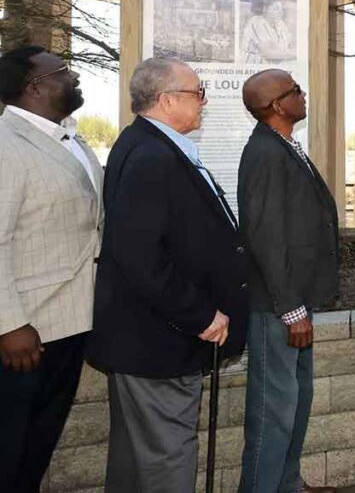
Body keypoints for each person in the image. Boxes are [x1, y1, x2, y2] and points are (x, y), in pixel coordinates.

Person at [88, 57, 249, 492]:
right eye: (197, 93)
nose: (203, 102)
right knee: (167, 458)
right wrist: (199, 315)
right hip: (158, 342)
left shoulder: (150, 145)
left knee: (137, 460)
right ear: (166, 100)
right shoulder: (152, 155)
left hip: (146, 340)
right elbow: (138, 255)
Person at [0, 47, 103, 492]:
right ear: (34, 86)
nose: (75, 76)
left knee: (38, 447)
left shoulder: (71, 138)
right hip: (25, 335)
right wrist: (10, 324)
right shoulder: (6, 143)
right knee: (9, 451)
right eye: (64, 70)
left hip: (70, 323)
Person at [237, 70, 338, 493]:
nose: (303, 93)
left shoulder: (283, 146)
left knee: (296, 401)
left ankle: (287, 484)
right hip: (277, 307)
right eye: (295, 90)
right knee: (273, 411)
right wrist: (291, 307)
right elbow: (263, 234)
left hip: (294, 301)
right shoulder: (263, 153)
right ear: (277, 105)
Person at [242, 0, 293, 65]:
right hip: (255, 67)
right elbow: (269, 53)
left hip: (276, 68)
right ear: (265, 9)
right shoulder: (256, 22)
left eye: (281, 9)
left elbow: (288, 47)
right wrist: (296, 53)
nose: (281, 12)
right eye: (276, 8)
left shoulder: (281, 24)